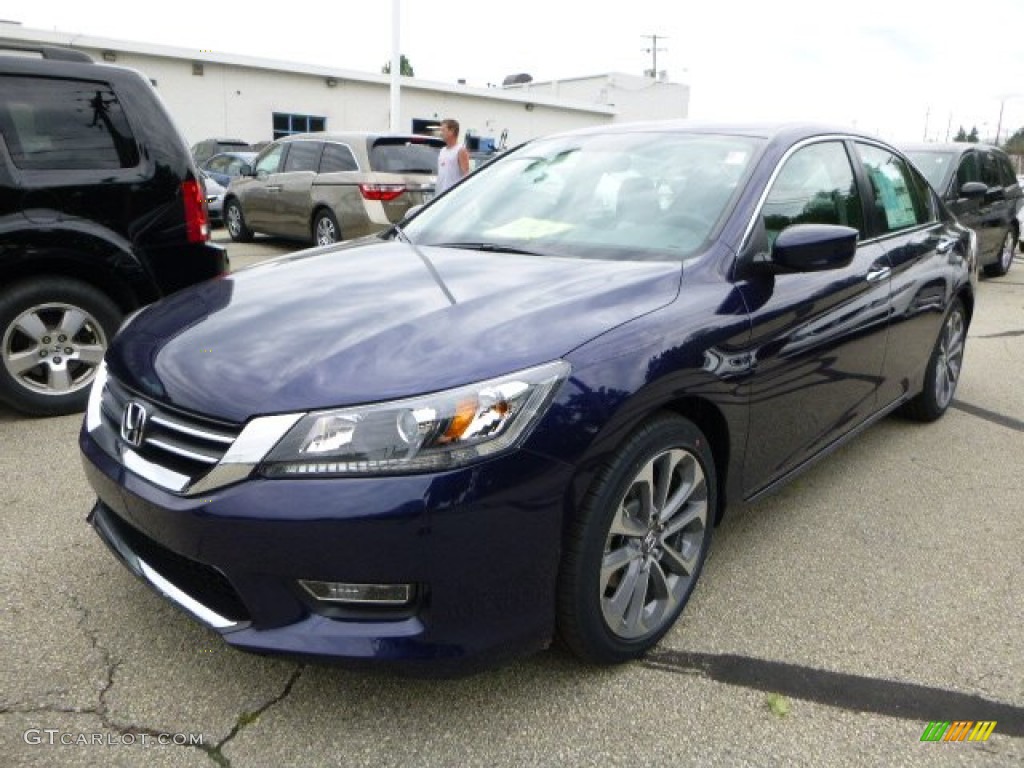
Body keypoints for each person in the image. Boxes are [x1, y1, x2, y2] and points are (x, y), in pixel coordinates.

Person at [435, 118, 470, 194]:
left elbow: (466, 177)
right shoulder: (442, 150)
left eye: (443, 130)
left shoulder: (460, 150)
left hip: (452, 196)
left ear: (452, 131)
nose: (441, 133)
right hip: (440, 196)